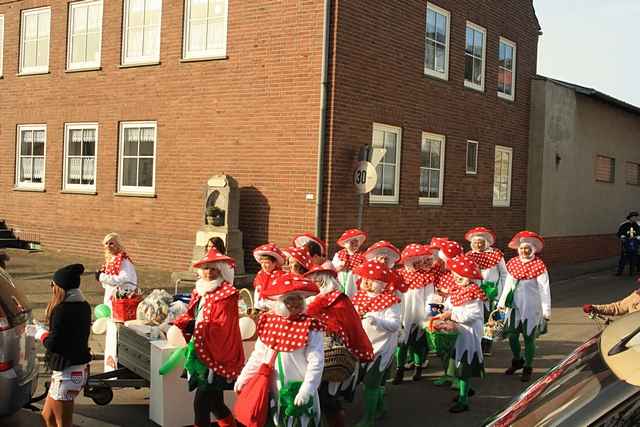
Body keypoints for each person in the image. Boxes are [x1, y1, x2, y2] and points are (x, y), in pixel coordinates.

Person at [235, 273, 325, 427]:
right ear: (281, 301)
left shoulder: (311, 326)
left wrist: (307, 388)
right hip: (272, 388)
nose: (295, 302)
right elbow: (259, 355)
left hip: (296, 389)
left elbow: (316, 361)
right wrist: (244, 376)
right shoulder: (269, 321)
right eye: (290, 298)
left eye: (298, 298)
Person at [173, 248, 244, 427]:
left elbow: (224, 326)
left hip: (215, 356)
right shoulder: (200, 290)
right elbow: (194, 313)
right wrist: (187, 322)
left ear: (220, 270)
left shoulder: (227, 294)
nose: (209, 273)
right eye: (205, 268)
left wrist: (196, 326)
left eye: (213, 269)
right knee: (215, 403)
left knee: (201, 403)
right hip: (200, 351)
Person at [305, 262, 374, 427]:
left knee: (328, 398)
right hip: (312, 356)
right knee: (316, 397)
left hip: (334, 357)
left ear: (324, 281)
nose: (314, 284)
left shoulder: (340, 301)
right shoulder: (310, 301)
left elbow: (351, 328)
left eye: (316, 281)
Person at [26, 264, 91, 427]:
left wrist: (39, 333)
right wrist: (45, 330)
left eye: (53, 284)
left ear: (60, 287)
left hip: (67, 373)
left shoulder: (61, 310)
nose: (51, 287)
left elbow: (54, 344)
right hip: (74, 370)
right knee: (47, 417)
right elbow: (68, 336)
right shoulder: (84, 306)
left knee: (62, 422)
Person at [351, 260, 401, 427]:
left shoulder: (390, 301)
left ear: (381, 283)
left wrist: (376, 320)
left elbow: (394, 325)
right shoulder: (359, 296)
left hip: (381, 348)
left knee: (372, 383)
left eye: (370, 279)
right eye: (364, 278)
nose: (365, 282)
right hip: (363, 346)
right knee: (374, 382)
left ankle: (369, 419)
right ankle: (379, 408)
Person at [497, 231, 551, 383]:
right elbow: (507, 285)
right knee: (512, 335)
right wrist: (501, 305)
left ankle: (528, 367)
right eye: (521, 248)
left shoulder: (539, 265)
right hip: (514, 307)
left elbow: (544, 289)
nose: (524, 251)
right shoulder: (513, 263)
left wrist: (546, 310)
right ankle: (517, 360)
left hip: (531, 308)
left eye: (527, 248)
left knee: (529, 337)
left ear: (533, 249)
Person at [439, 255, 486, 414]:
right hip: (458, 331)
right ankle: (465, 391)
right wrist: (443, 311)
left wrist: (451, 316)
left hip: (469, 334)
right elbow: (450, 307)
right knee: (458, 362)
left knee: (464, 365)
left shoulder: (474, 292)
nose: (458, 278)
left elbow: (472, 316)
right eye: (456, 274)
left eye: (462, 276)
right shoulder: (456, 290)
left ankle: (464, 400)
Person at [393, 243, 439, 384]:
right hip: (403, 312)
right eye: (415, 261)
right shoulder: (399, 274)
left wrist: (428, 314)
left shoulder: (426, 276)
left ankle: (418, 368)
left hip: (420, 313)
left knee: (418, 342)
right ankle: (399, 369)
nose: (418, 264)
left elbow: (432, 296)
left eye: (420, 261)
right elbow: (394, 294)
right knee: (401, 343)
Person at [97, 233, 138, 372]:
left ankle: (116, 370)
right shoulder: (112, 261)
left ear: (118, 244)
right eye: (106, 243)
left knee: (116, 336)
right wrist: (103, 277)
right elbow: (109, 284)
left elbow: (123, 279)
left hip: (121, 306)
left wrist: (102, 277)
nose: (108, 246)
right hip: (112, 305)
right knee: (111, 335)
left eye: (111, 243)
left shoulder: (123, 261)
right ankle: (111, 369)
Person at [464, 227, 508, 315]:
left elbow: (504, 274)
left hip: (493, 290)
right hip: (475, 291)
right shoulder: (469, 255)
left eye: (481, 242)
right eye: (475, 243)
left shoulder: (496, 254)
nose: (478, 245)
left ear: (486, 243)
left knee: (493, 315)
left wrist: (503, 292)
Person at [332, 229, 367, 298]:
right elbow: (333, 268)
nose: (355, 244)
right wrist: (339, 268)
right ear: (344, 244)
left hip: (354, 282)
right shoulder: (339, 255)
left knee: (352, 295)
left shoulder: (362, 256)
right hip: (341, 279)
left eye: (356, 242)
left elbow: (365, 270)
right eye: (352, 242)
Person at [252, 243, 286, 310]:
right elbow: (257, 291)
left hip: (273, 308)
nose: (264, 265)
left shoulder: (280, 276)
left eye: (267, 263)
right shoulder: (260, 274)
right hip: (260, 306)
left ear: (275, 263)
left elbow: (280, 295)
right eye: (262, 263)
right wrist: (256, 305)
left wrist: (268, 304)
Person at [616, 211, 640, 276]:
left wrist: (637, 238)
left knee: (634, 258)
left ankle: (632, 272)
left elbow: (639, 233)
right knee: (623, 258)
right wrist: (622, 237)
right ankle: (619, 272)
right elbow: (619, 233)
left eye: (636, 217)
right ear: (630, 217)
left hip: (635, 244)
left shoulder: (637, 225)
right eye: (633, 217)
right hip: (626, 244)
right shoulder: (624, 225)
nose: (635, 218)